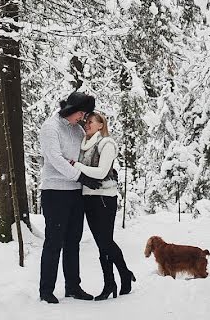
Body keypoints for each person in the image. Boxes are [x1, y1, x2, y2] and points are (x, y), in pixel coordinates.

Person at [38, 91, 103, 304]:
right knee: (54, 242)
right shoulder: (51, 128)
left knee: (73, 241)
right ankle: (46, 290)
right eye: (81, 113)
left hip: (76, 193)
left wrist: (100, 171)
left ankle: (73, 287)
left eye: (85, 114)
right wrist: (80, 176)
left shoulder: (76, 130)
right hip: (55, 192)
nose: (82, 118)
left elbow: (82, 156)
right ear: (71, 110)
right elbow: (55, 159)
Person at [72, 111, 136, 300]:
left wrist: (76, 165)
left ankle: (119, 278)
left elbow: (101, 172)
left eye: (91, 122)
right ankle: (113, 281)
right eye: (86, 122)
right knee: (102, 244)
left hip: (104, 198)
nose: (87, 124)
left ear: (101, 125)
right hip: (88, 197)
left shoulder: (106, 143)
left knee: (105, 242)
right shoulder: (84, 145)